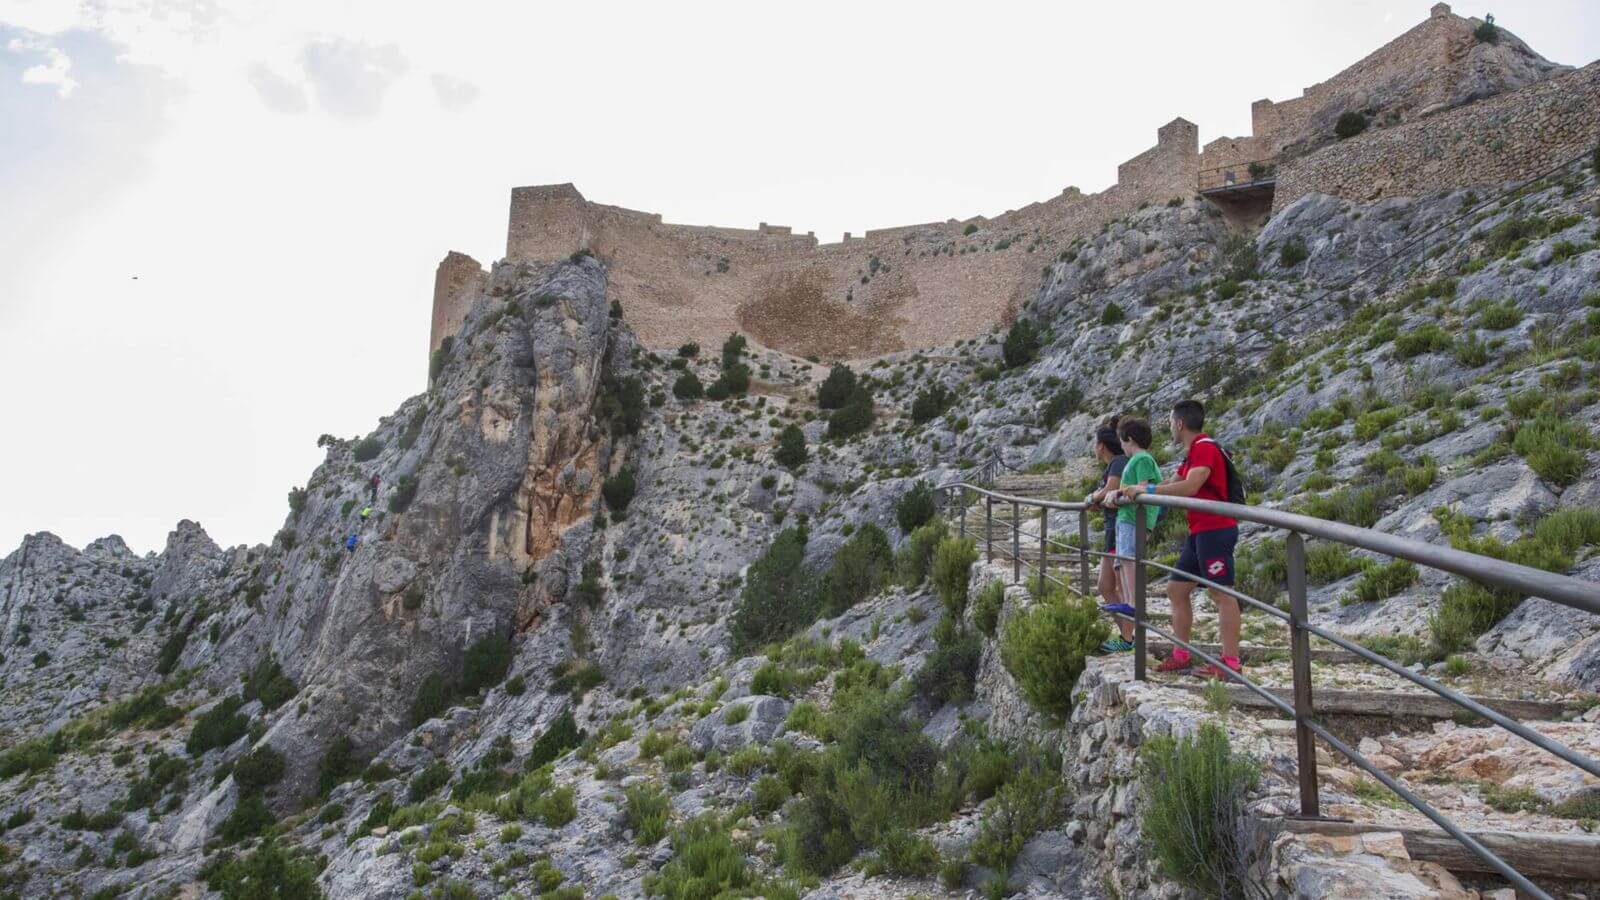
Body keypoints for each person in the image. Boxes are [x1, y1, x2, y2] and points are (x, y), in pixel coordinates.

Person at [1121, 399, 1240, 680]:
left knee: (1222, 593)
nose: (1170, 427)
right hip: (1199, 531)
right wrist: (1144, 489)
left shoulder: (1205, 448)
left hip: (1215, 529)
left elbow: (1190, 486)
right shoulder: (1191, 453)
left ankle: (1230, 664)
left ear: (1179, 423)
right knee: (1176, 589)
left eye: (1171, 422)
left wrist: (1147, 488)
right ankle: (1181, 655)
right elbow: (1172, 485)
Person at [1108, 418, 1162, 646]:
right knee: (1122, 560)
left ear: (1128, 439)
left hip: (1133, 518)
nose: (1120, 445)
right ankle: (1129, 601)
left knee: (1129, 559)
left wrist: (1120, 495)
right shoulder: (1136, 460)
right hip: (1126, 517)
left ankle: (1132, 603)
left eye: (1121, 440)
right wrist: (1117, 495)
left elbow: (1142, 488)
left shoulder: (1142, 459)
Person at [1086, 418, 1134, 653]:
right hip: (1111, 530)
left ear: (1101, 446)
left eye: (1095, 445)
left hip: (1120, 529)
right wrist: (1099, 500)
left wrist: (1091, 498)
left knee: (1120, 585)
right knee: (1105, 585)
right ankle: (1128, 635)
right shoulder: (1113, 465)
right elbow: (1107, 495)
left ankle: (1127, 639)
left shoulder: (1119, 462)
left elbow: (1109, 490)